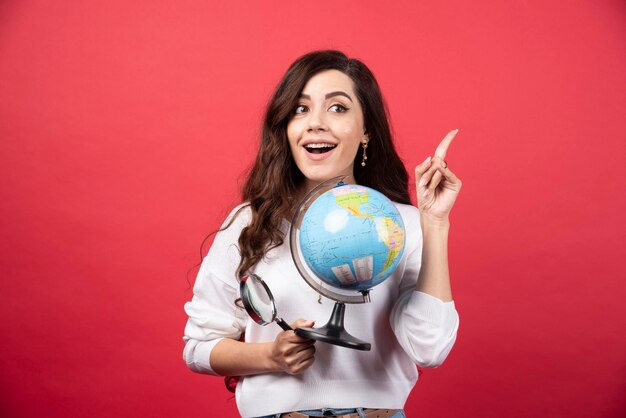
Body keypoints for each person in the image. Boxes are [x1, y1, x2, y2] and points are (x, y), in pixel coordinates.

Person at [183, 50, 462, 418]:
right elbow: (199, 347)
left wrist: (435, 224)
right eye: (300, 109)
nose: (315, 123)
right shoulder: (249, 223)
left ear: (366, 131)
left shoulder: (403, 225)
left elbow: (430, 348)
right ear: (285, 127)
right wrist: (271, 355)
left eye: (337, 108)